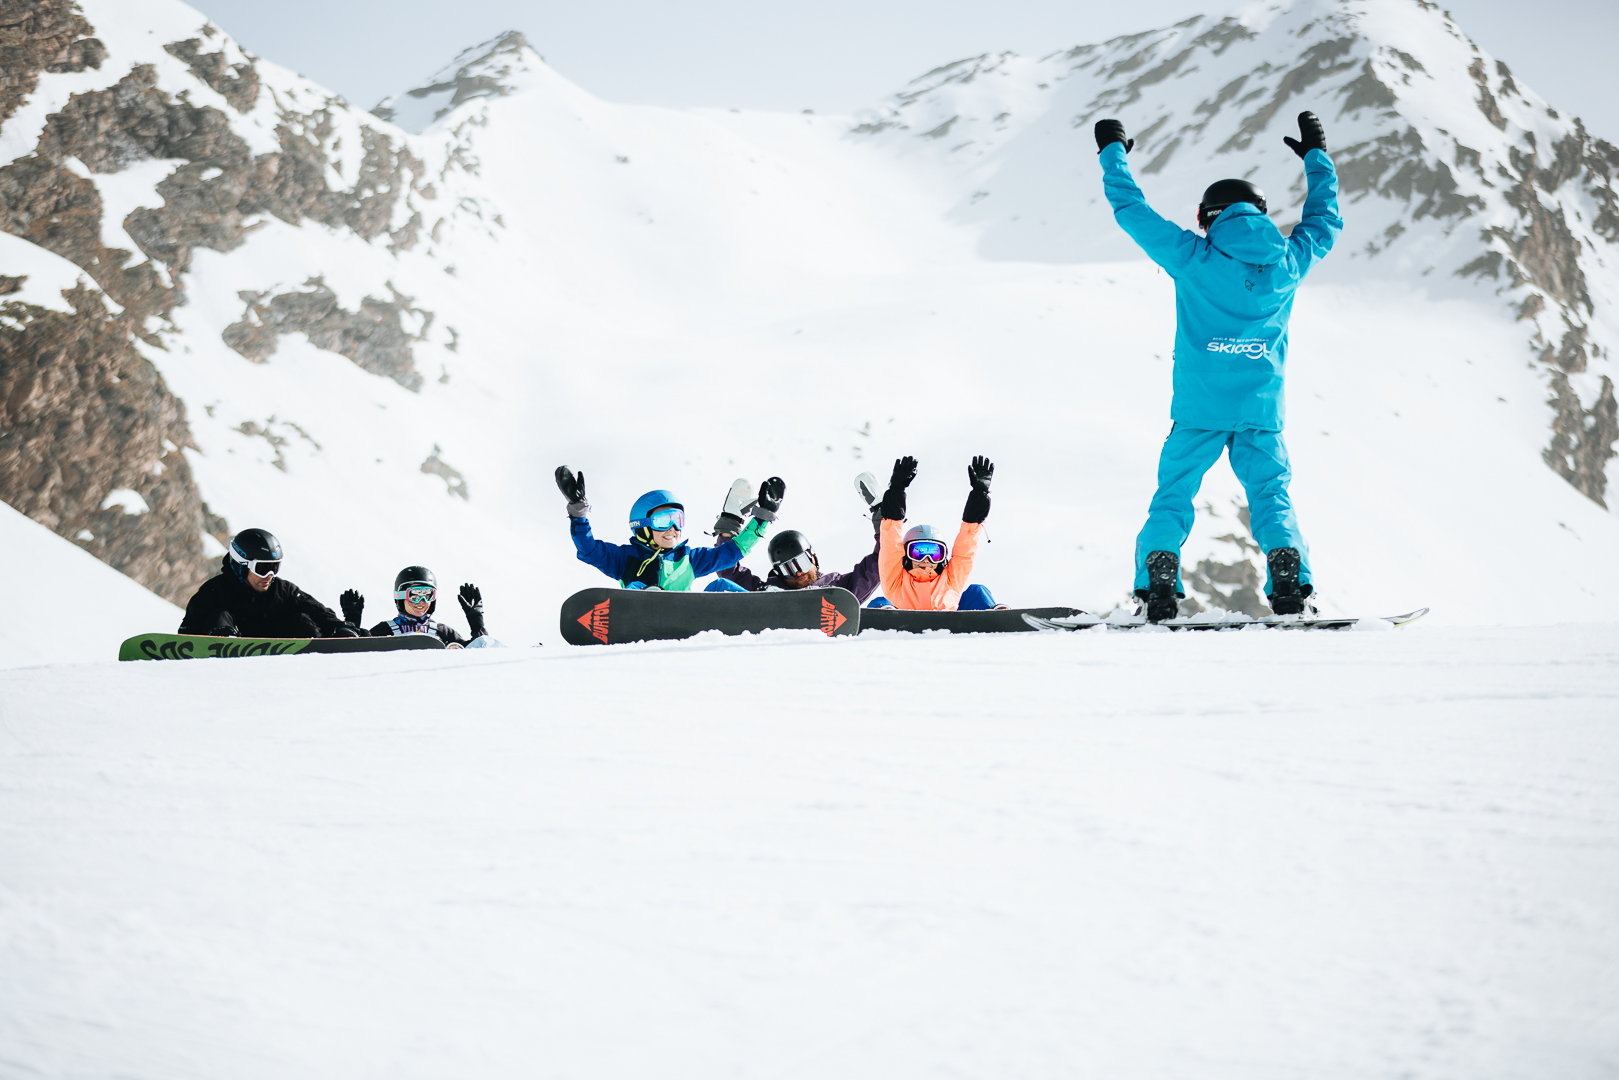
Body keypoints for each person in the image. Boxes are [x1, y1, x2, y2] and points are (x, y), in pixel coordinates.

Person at [1095, 110, 1342, 621]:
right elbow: (1324, 220)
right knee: (1271, 496)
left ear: (1211, 217)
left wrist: (1113, 152)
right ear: (1259, 213)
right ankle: (1290, 585)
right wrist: (1317, 157)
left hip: (1199, 407)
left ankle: (1157, 591)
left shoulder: (1194, 258)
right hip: (1260, 409)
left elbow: (1129, 209)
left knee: (1174, 497)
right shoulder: (1289, 262)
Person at [556, 466, 782, 589]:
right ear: (642, 527)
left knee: (721, 585)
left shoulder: (688, 559)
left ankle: (763, 609)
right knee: (637, 587)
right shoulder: (624, 558)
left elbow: (733, 552)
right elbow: (589, 551)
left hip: (685, 620)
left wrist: (761, 518)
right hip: (638, 618)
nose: (673, 527)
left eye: (678, 519)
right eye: (663, 520)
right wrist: (578, 514)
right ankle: (640, 601)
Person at [178, 527, 356, 638]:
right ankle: (225, 645)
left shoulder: (283, 590)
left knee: (301, 620)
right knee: (219, 616)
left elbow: (318, 613)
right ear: (241, 566)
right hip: (226, 667)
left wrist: (344, 627)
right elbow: (187, 634)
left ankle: (314, 650)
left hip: (288, 663)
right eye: (262, 568)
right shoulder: (213, 592)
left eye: (274, 567)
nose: (269, 575)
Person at [874, 455, 999, 611]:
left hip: (951, 621)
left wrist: (979, 495)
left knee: (977, 590)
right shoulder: (896, 580)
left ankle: (997, 616)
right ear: (906, 554)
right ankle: (885, 615)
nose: (926, 559)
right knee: (881, 601)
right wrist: (896, 490)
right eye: (918, 552)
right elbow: (891, 545)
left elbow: (965, 549)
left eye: (934, 553)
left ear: (942, 557)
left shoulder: (951, 579)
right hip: (902, 620)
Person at [715, 507, 883, 603]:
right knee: (720, 586)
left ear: (813, 558)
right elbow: (728, 570)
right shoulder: (765, 592)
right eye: (787, 569)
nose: (798, 573)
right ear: (778, 573)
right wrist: (729, 527)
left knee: (882, 602)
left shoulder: (840, 588)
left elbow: (880, 565)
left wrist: (885, 524)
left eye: (801, 563)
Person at [339, 567, 490, 648]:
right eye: (415, 595)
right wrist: (352, 623)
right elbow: (356, 654)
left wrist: (477, 623)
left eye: (427, 594)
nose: (422, 601)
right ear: (401, 597)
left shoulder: (443, 632)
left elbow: (478, 657)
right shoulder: (384, 630)